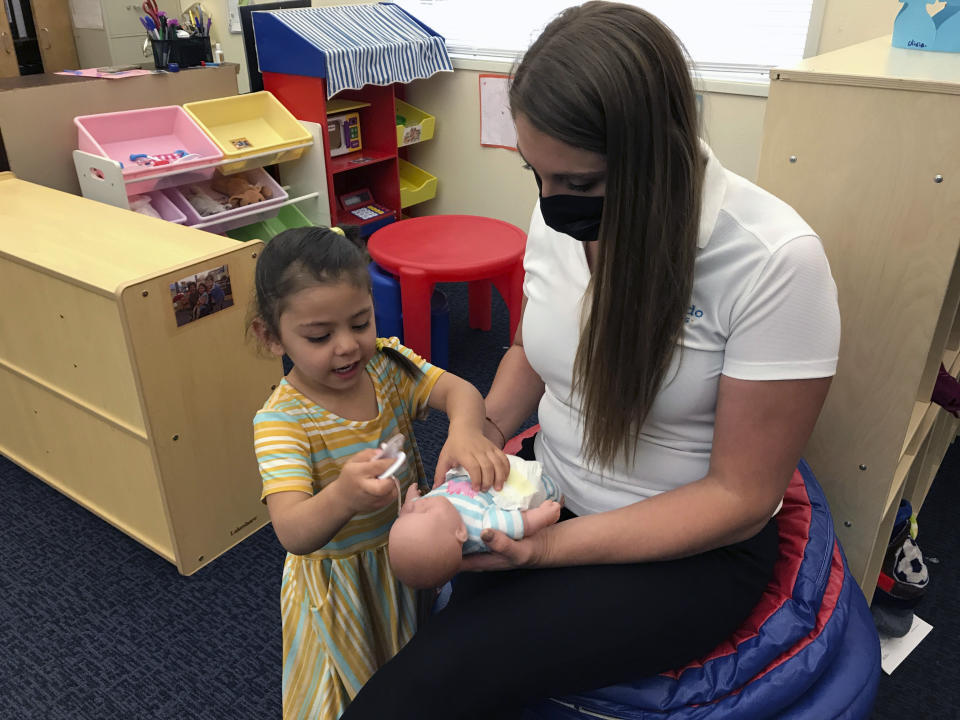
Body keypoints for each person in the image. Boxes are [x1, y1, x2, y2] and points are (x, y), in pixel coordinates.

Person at [341, 2, 841, 718]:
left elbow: (741, 499)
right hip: (548, 490)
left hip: (684, 553)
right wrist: (480, 427)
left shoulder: (775, 264)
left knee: (415, 693)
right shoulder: (559, 215)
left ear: (656, 154)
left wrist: (548, 553)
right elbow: (529, 352)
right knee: (442, 613)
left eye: (577, 183)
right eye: (536, 174)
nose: (551, 203)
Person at [250, 226, 509, 720]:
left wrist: (466, 433)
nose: (348, 346)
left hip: (405, 560)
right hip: (342, 585)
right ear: (271, 336)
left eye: (361, 322)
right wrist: (343, 496)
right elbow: (293, 530)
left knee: (413, 670)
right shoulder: (281, 421)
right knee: (353, 689)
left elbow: (461, 393)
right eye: (320, 336)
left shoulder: (387, 363)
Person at [388, 456, 563, 589]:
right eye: (425, 511)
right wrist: (542, 516)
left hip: (469, 476)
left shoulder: (426, 520)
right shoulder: (481, 526)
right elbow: (518, 523)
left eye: (406, 515)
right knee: (536, 488)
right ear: (460, 532)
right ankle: (553, 491)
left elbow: (410, 510)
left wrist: (411, 499)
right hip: (513, 486)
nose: (418, 506)